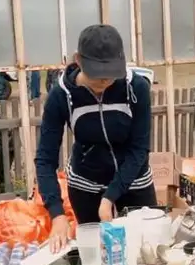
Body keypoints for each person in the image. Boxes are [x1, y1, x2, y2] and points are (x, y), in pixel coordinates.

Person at [37, 24, 157, 253]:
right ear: (78, 60)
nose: (105, 82)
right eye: (97, 75)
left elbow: (139, 149)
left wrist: (110, 196)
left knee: (144, 252)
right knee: (98, 256)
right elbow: (45, 158)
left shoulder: (136, 88)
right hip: (86, 186)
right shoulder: (62, 95)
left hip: (134, 181)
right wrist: (57, 214)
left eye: (111, 75)